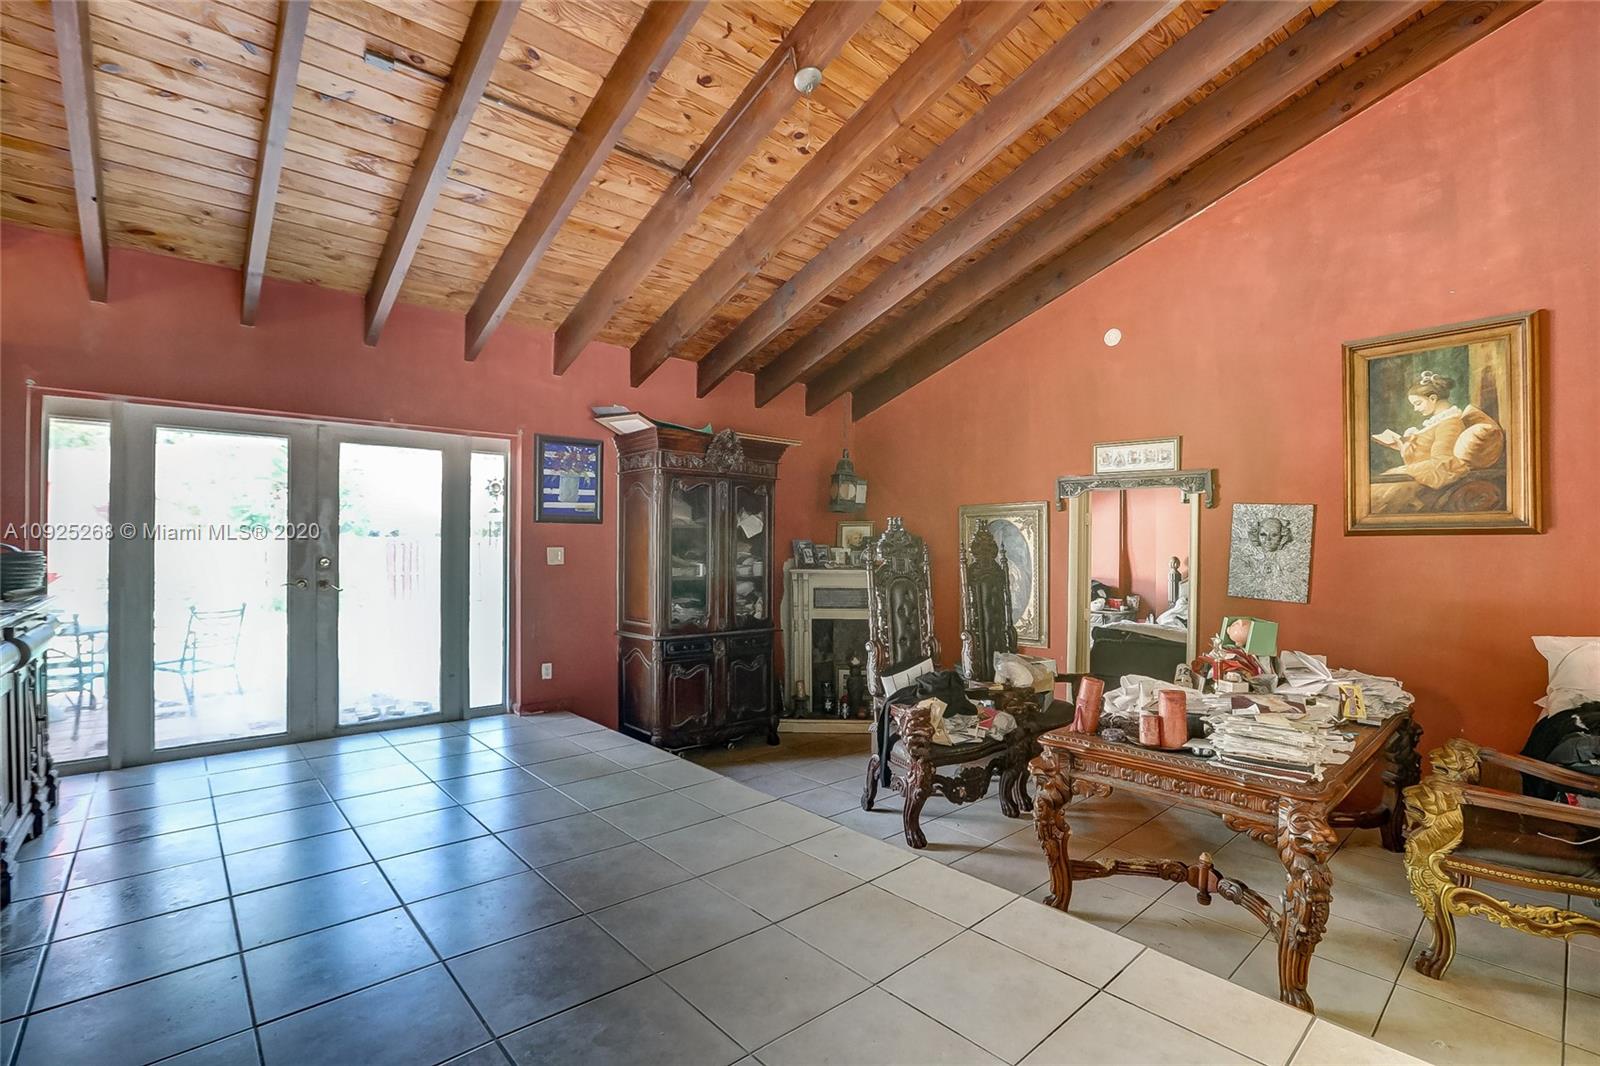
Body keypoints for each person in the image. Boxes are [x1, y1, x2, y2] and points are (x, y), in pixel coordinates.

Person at [1369, 370, 1504, 514]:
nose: (1416, 409)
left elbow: (1442, 462)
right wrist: (1401, 445)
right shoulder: (1440, 421)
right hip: (1419, 474)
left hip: (1428, 478)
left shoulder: (1450, 424)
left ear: (1432, 398)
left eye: (1418, 403)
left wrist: (1404, 467)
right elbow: (1427, 450)